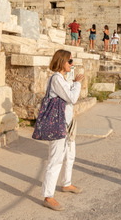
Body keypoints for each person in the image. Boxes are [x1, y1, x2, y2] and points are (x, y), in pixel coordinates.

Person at [41, 49, 84, 211]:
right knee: (55, 159)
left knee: (70, 155)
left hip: (67, 123)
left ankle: (66, 183)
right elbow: (72, 97)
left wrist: (73, 83)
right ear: (62, 62)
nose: (72, 64)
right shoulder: (56, 79)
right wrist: (77, 84)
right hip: (58, 124)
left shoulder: (63, 79)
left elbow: (68, 97)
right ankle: (48, 196)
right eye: (70, 61)